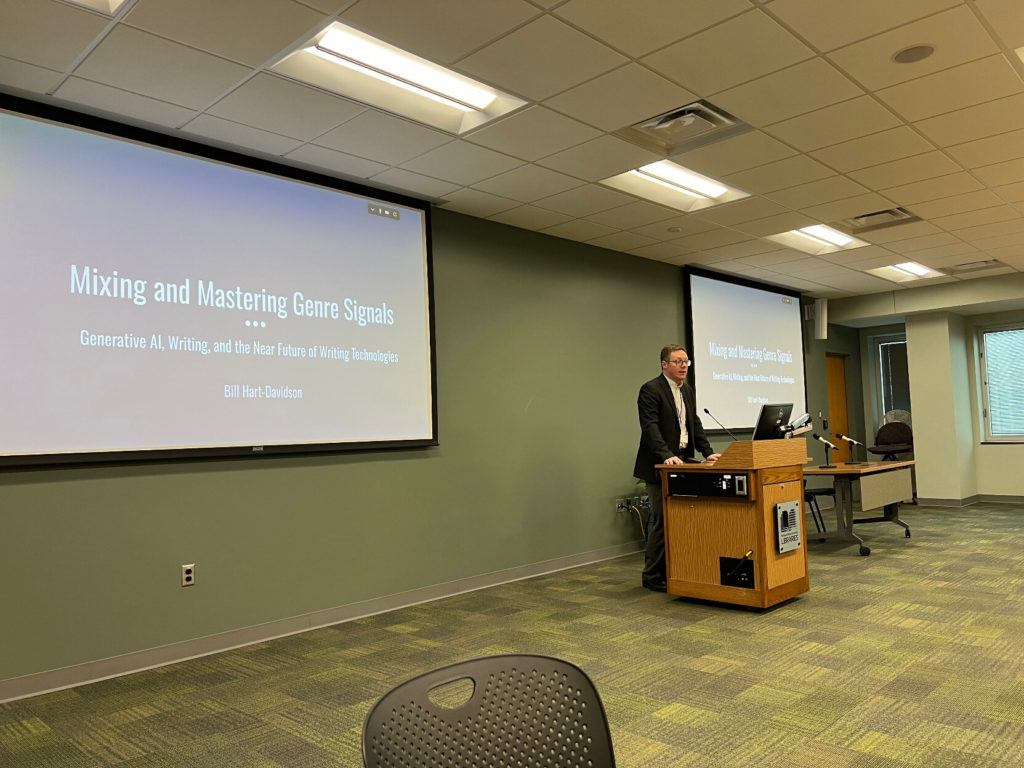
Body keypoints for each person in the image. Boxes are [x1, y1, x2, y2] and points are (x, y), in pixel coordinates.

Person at [633, 345, 720, 592]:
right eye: (678, 361)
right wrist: (666, 456)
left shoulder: (687, 391)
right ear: (664, 364)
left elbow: (694, 423)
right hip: (660, 466)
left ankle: (680, 569)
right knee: (662, 521)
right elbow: (650, 428)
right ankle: (651, 576)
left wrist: (707, 452)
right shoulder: (651, 390)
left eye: (686, 362)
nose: (684, 366)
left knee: (687, 518)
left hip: (683, 460)